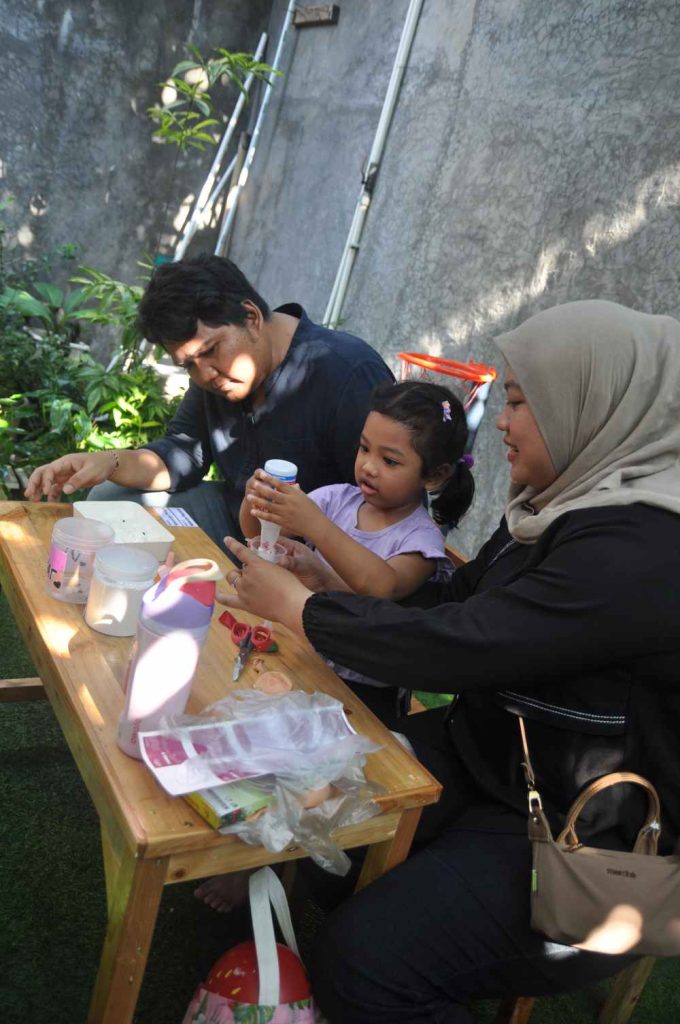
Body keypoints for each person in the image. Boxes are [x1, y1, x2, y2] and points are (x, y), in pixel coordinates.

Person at [218, 300, 680, 1022]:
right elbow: (453, 602)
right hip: (494, 759)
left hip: (592, 839)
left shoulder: (642, 548)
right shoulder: (558, 507)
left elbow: (469, 643)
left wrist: (305, 610)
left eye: (521, 401)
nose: (501, 422)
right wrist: (329, 586)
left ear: (594, 405)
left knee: (361, 964)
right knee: (330, 835)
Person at [23, 255, 393, 551]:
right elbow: (181, 454)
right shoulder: (216, 378)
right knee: (110, 497)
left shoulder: (347, 373)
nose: (205, 375)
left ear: (251, 317)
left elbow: (391, 512)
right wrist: (109, 461)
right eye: (188, 365)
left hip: (317, 551)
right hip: (234, 523)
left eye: (211, 350)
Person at [240, 380, 474, 721]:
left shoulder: (421, 541)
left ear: (434, 475)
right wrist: (256, 500)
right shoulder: (337, 498)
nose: (368, 466)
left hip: (364, 691)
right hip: (304, 654)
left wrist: (316, 525)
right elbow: (257, 533)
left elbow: (381, 586)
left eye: (390, 461)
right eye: (364, 448)